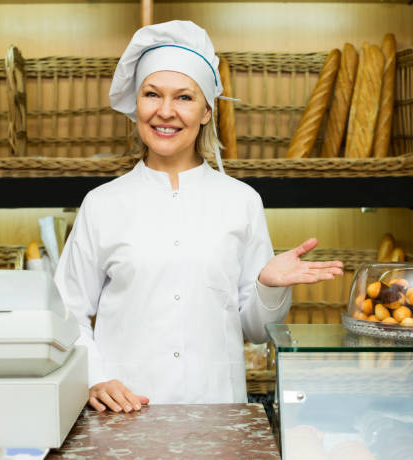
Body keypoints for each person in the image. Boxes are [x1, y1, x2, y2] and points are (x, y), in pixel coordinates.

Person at [54, 20, 343, 413]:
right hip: (125, 413)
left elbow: (255, 329)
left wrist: (268, 285)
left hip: (216, 410)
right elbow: (66, 308)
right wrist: (95, 378)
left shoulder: (241, 201)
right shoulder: (102, 204)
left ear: (207, 110)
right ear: (136, 104)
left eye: (184, 98)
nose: (165, 112)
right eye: (152, 94)